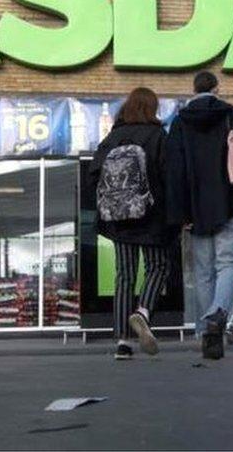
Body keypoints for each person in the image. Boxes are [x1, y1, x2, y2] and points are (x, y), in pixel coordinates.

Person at [166, 71, 233, 360]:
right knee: (229, 262)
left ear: (193, 89)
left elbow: (174, 169)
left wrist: (180, 210)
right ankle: (215, 317)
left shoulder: (181, 121)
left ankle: (202, 329)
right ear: (217, 88)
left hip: (196, 205)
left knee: (202, 270)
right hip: (230, 198)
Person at [89, 87, 176, 360]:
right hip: (151, 215)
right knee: (158, 267)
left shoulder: (112, 138)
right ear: (151, 108)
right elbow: (169, 177)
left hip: (119, 218)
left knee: (124, 276)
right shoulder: (158, 136)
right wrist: (176, 214)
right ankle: (143, 313)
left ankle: (122, 343)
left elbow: (93, 174)